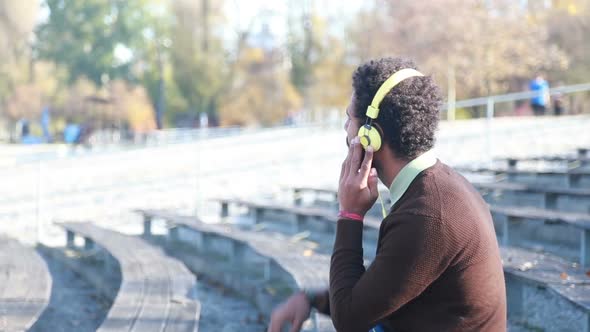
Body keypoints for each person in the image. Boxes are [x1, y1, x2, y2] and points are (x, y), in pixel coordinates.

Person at [267, 57, 506, 332]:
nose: (346, 129)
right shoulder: (437, 189)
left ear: (371, 136)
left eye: (349, 118)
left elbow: (349, 321)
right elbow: (382, 289)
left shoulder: (427, 216)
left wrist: (350, 215)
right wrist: (311, 299)